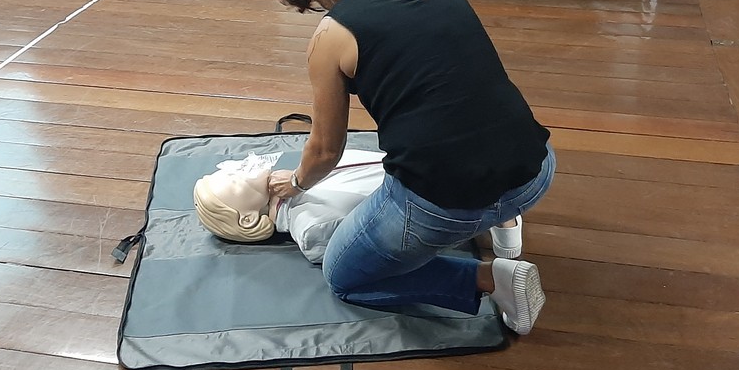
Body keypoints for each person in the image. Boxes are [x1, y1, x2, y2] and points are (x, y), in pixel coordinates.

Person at [270, 0, 556, 335]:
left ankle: (489, 278)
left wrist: (295, 183)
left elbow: (326, 150)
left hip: (444, 204)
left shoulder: (332, 33)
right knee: (465, 112)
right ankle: (504, 218)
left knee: (344, 275)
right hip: (535, 169)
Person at [192, 149, 524, 264]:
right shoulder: (311, 227)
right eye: (234, 182)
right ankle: (493, 207)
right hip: (442, 201)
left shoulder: (306, 174)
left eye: (229, 170)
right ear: (248, 220)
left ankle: (489, 198)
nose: (236, 169)